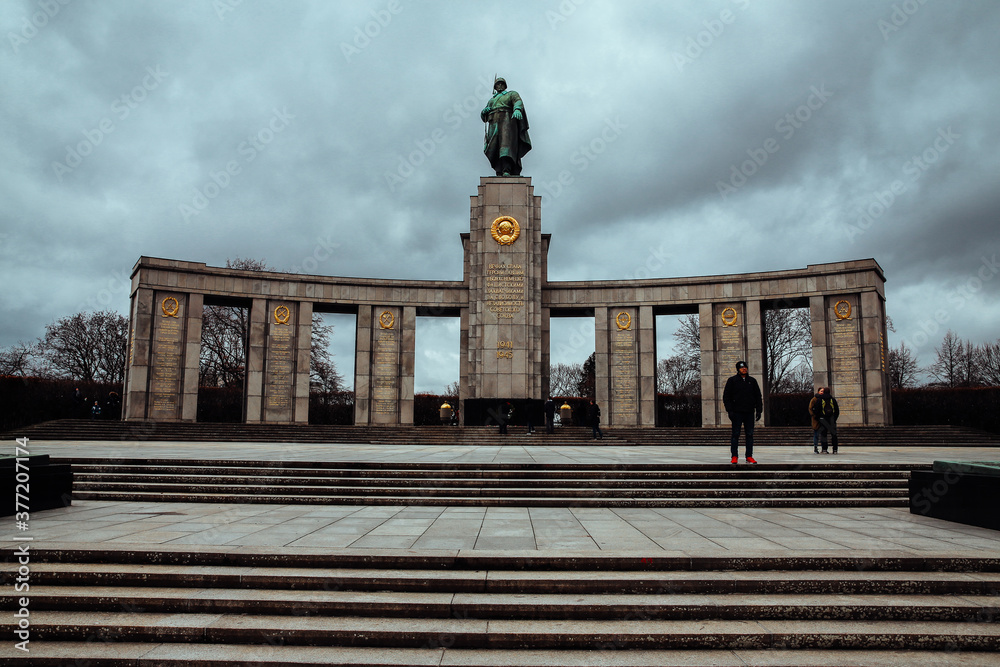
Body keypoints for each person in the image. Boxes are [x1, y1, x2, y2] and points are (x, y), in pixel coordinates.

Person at [481, 77, 531, 176]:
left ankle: (506, 169)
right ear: (495, 87)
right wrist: (483, 112)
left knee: (505, 146)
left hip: (507, 121)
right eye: (498, 84)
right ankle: (499, 170)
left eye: (501, 84)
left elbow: (518, 101)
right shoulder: (492, 100)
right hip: (493, 123)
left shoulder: (511, 94)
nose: (499, 85)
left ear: (505, 85)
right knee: (494, 147)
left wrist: (517, 109)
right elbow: (484, 117)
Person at [722, 360, 762, 464]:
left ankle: (749, 456)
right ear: (738, 369)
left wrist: (759, 410)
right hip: (737, 412)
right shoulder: (732, 381)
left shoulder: (752, 381)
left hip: (749, 412)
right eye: (741, 367)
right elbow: (726, 397)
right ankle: (734, 456)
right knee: (735, 434)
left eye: (745, 367)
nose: (744, 369)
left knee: (749, 434)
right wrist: (730, 410)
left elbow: (758, 396)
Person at [809, 387, 840, 454]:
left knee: (824, 435)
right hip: (832, 420)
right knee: (834, 435)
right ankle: (835, 450)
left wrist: (819, 418)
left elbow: (817, 410)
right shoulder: (833, 399)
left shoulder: (819, 400)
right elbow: (837, 410)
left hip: (823, 420)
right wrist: (834, 419)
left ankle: (824, 449)